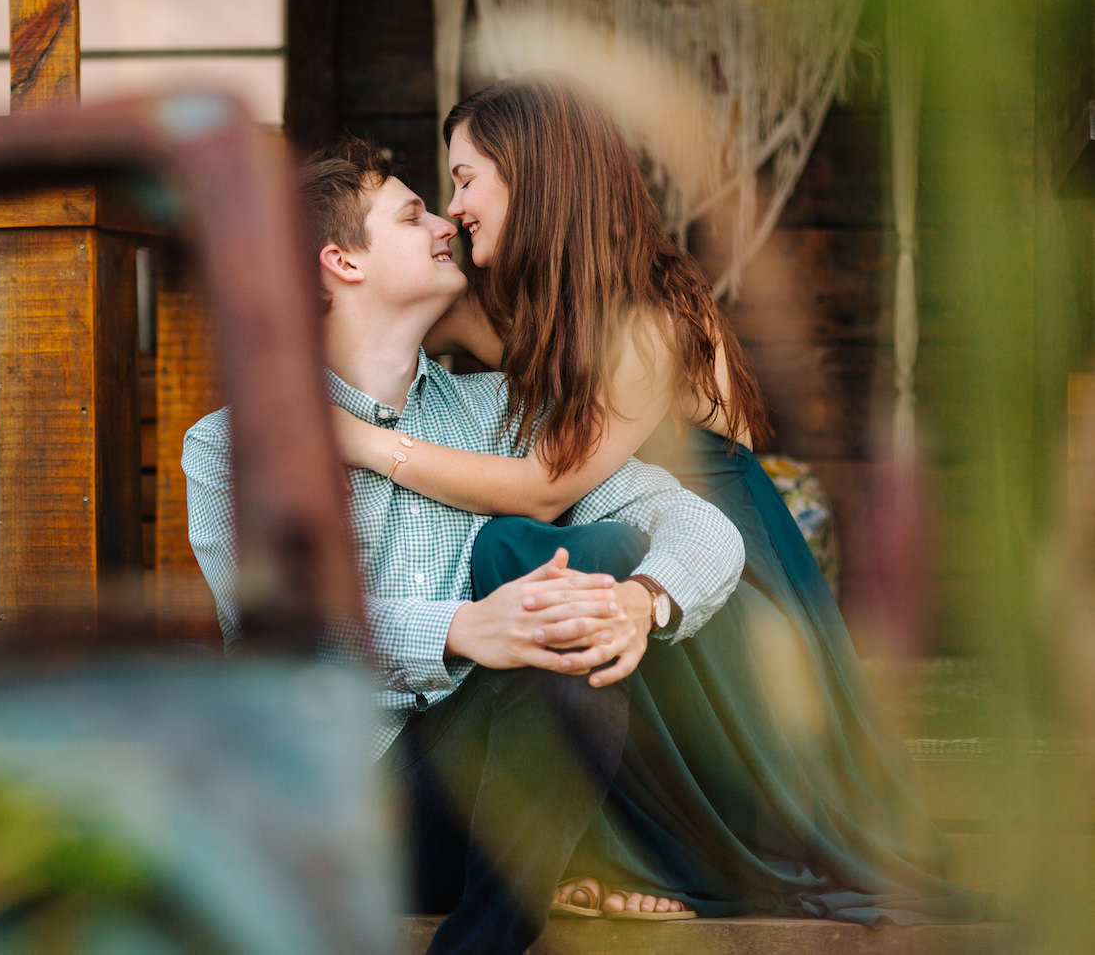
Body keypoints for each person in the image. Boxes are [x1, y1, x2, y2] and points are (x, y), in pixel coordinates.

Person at [329, 79, 988, 924]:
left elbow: (547, 482)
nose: (453, 210)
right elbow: (364, 330)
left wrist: (368, 446)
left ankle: (692, 853)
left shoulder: (649, 317)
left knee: (516, 555)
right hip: (596, 541)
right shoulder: (486, 297)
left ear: (532, 176)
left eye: (465, 179)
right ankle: (581, 843)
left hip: (714, 567)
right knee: (528, 576)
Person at [183, 137, 747, 954]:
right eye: (413, 213)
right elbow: (278, 628)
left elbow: (696, 523)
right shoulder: (233, 444)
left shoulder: (501, 414)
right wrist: (461, 628)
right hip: (326, 810)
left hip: (471, 801)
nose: (447, 221)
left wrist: (642, 601)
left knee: (572, 660)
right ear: (339, 260)